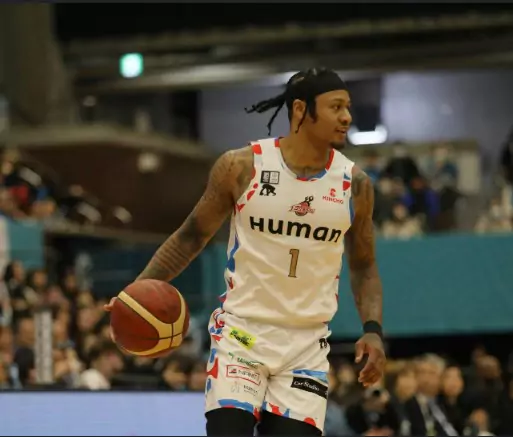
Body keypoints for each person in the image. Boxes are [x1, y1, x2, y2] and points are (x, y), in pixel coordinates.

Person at [105, 68, 386, 436]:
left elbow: (364, 265)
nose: (347, 117)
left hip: (305, 346)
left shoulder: (356, 185)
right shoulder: (242, 166)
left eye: (347, 107)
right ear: (300, 110)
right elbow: (190, 237)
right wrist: (135, 293)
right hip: (243, 336)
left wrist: (373, 329)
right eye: (336, 107)